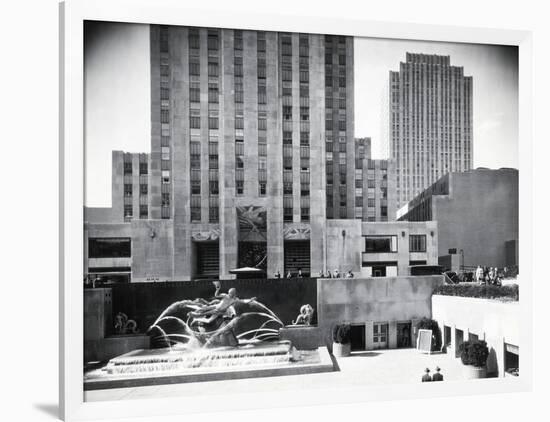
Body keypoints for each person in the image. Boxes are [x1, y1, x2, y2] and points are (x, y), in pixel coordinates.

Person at [189, 281, 256, 325]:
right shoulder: (225, 295)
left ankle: (196, 319)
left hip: (219, 311)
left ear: (234, 294)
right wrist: (217, 289)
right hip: (216, 307)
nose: (229, 294)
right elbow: (216, 295)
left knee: (209, 320)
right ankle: (194, 315)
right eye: (229, 293)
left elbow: (243, 301)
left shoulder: (235, 299)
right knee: (202, 310)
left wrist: (250, 300)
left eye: (231, 293)